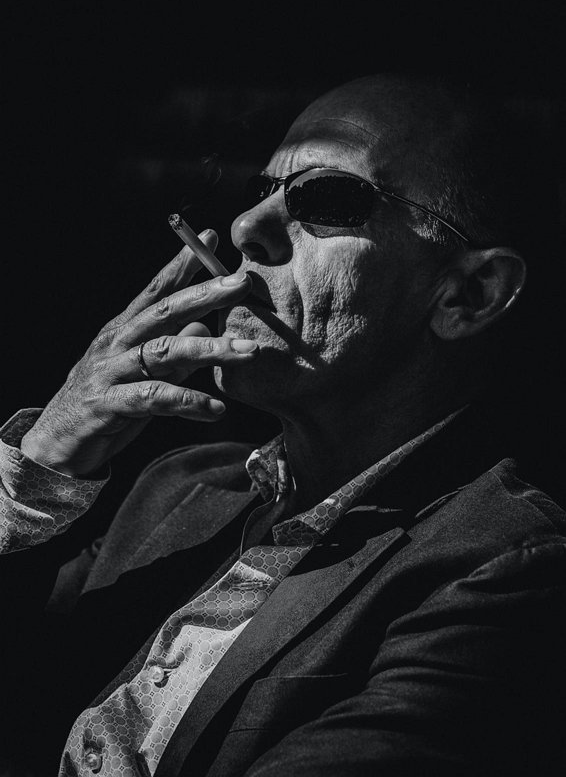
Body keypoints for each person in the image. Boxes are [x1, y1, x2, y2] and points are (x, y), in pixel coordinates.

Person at [1, 73, 564, 777]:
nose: (246, 229)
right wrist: (41, 464)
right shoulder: (176, 489)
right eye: (261, 192)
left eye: (325, 200)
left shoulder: (509, 568)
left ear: (468, 295)